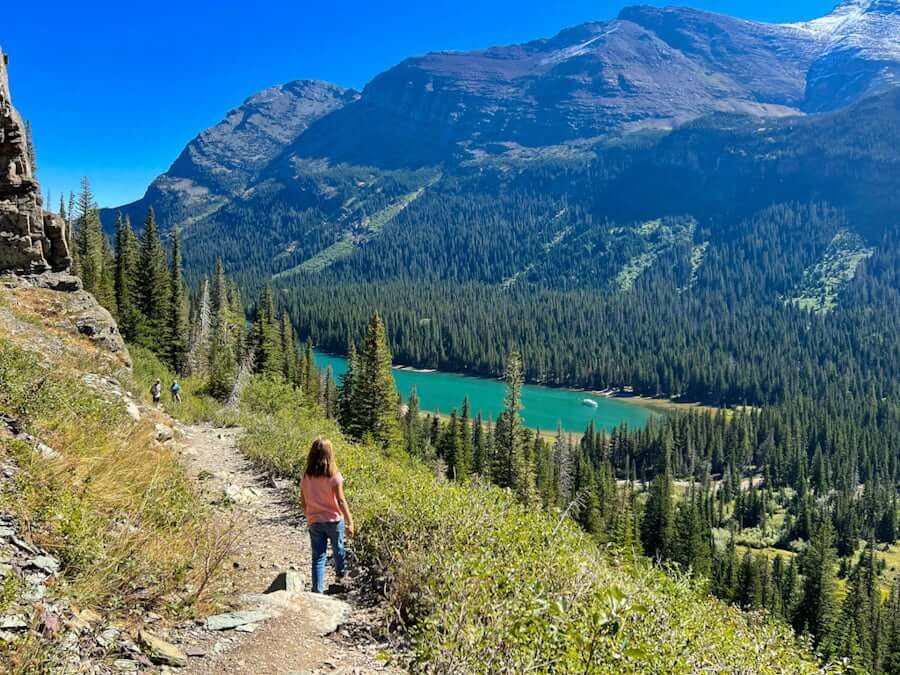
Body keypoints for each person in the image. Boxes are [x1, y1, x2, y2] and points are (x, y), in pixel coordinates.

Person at [300, 437, 355, 594]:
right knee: (338, 549)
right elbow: (341, 501)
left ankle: (317, 590)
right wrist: (350, 522)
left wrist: (310, 517)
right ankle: (339, 578)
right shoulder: (334, 476)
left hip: (315, 521)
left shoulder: (306, 477)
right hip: (333, 521)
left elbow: (303, 502)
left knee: (318, 557)